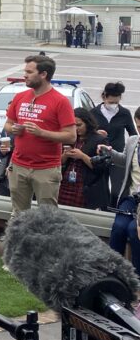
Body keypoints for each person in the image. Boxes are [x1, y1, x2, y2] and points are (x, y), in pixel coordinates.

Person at [4, 55, 76, 215]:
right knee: (18, 215)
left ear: (43, 74)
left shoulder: (60, 101)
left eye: (29, 72)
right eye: (25, 71)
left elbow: (71, 136)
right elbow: (7, 124)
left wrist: (41, 132)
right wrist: (13, 129)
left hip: (46, 168)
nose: (25, 75)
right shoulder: (20, 97)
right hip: (18, 165)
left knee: (47, 218)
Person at [102, 107, 140, 276]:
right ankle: (113, 272)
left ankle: (136, 276)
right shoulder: (133, 140)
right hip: (132, 197)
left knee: (134, 230)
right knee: (118, 227)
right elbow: (125, 160)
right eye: (138, 126)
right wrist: (109, 152)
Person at [90, 82, 138, 206]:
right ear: (104, 97)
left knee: (117, 190)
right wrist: (95, 133)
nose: (113, 105)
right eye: (111, 102)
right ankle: (103, 210)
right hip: (99, 155)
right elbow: (86, 133)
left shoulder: (125, 113)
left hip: (117, 156)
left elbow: (133, 133)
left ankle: (114, 210)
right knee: (101, 188)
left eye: (116, 103)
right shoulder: (94, 112)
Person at [58, 108, 109, 210]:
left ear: (88, 123)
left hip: (85, 187)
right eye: (73, 125)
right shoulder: (69, 138)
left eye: (79, 125)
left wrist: (82, 156)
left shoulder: (98, 139)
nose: (76, 129)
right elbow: (57, 162)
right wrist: (65, 155)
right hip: (65, 185)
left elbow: (101, 167)